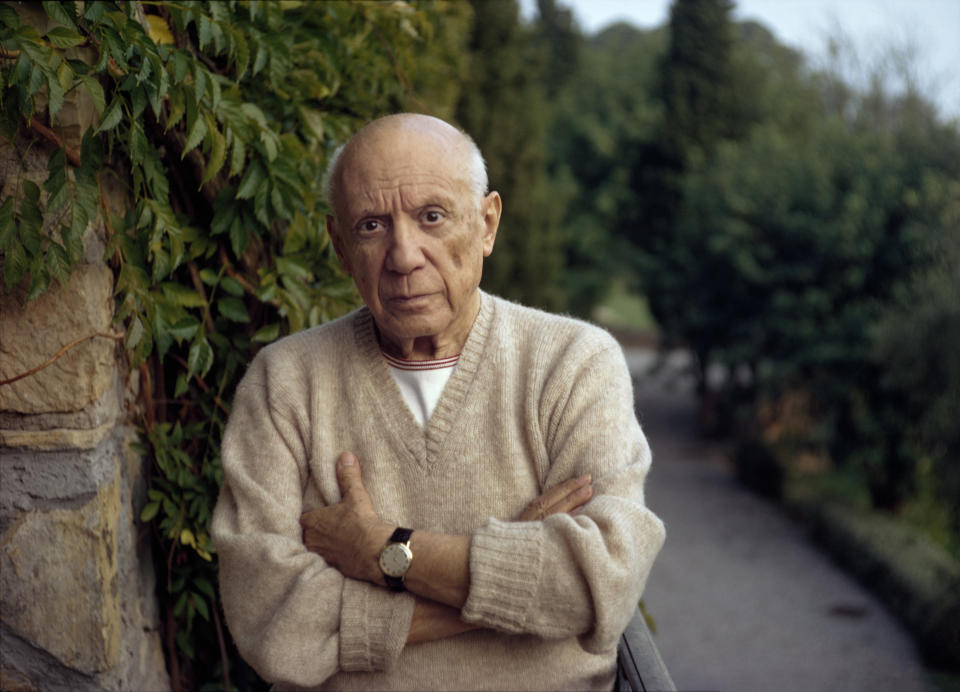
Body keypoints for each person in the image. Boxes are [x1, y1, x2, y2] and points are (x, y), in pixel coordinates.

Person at [211, 113, 665, 691]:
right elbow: (272, 619)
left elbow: (600, 580)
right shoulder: (284, 382)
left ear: (486, 224)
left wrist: (379, 550)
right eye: (372, 225)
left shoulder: (572, 363)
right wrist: (499, 577)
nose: (404, 255)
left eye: (432, 217)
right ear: (341, 247)